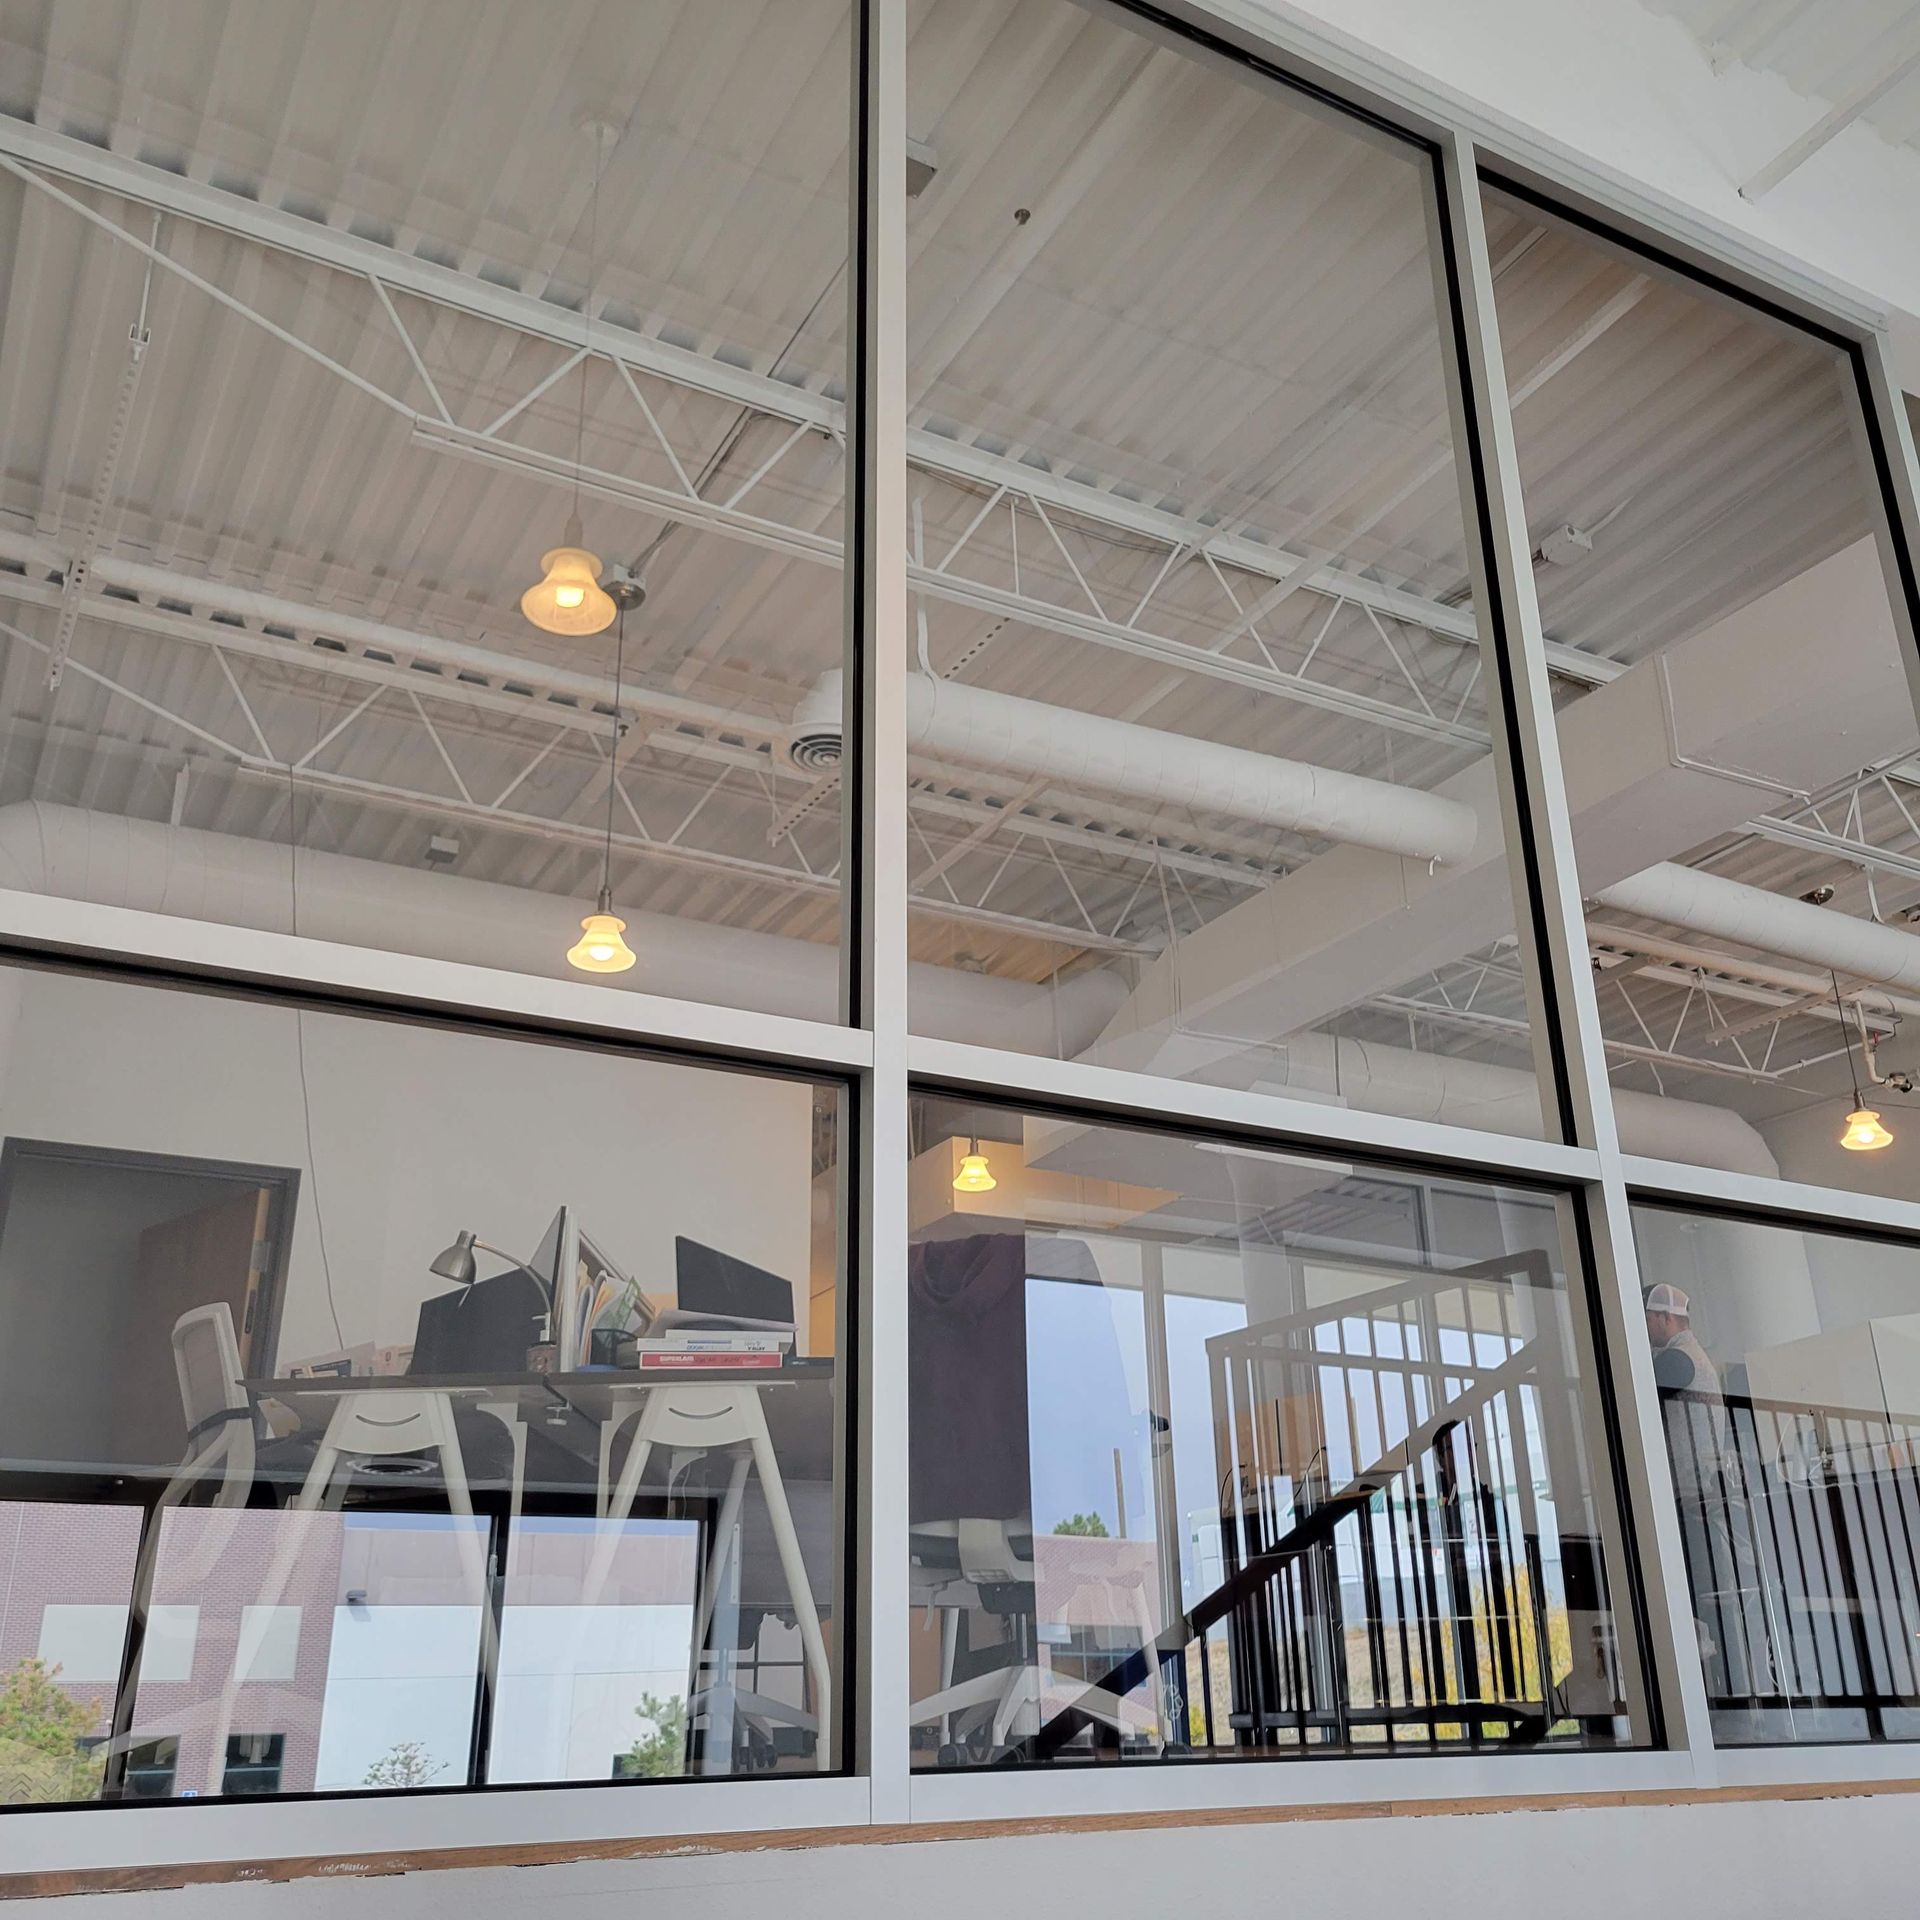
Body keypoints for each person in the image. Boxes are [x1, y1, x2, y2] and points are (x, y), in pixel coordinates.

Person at [1643, 1282, 1774, 1707]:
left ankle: (1724, 1690)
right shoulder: (1693, 1357)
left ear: (1663, 1317)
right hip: (1702, 1491)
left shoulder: (1678, 1360)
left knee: (1705, 1593)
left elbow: (1638, 1386)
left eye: (1646, 1320)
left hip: (1696, 1494)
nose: (1645, 1329)